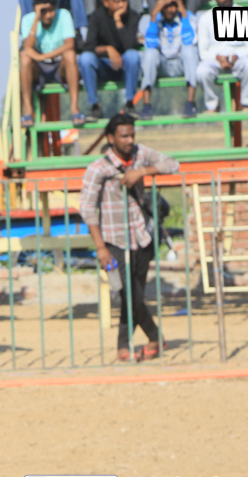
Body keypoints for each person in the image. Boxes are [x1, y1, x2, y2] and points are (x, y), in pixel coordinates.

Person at [80, 113, 179, 362]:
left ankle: (123, 346)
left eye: (132, 135)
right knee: (128, 293)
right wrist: (101, 248)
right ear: (111, 138)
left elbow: (172, 164)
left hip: (142, 237)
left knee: (134, 296)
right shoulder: (98, 168)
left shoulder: (140, 154)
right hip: (114, 241)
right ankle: (155, 337)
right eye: (124, 136)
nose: (129, 140)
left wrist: (142, 171)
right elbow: (88, 209)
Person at [19, 0, 85, 127]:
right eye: (44, 11)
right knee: (25, 59)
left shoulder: (64, 15)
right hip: (38, 68)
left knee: (70, 54)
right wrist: (36, 19)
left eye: (51, 10)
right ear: (36, 9)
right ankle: (28, 110)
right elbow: (27, 47)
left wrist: (43, 56)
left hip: (59, 66)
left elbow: (70, 44)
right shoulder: (28, 19)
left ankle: (74, 108)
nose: (48, 15)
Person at [80, 0, 142, 121]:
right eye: (117, 1)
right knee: (85, 59)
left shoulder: (132, 16)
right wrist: (108, 49)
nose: (121, 4)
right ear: (106, 3)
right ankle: (95, 106)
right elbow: (89, 46)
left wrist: (117, 20)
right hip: (102, 66)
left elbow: (129, 45)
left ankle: (129, 104)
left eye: (124, 1)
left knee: (133, 56)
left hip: (124, 67)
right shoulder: (96, 16)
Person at [195, 0, 248, 113]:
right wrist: (218, 58)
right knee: (201, 71)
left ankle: (245, 104)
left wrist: (237, 55)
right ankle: (212, 106)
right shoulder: (206, 18)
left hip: (239, 60)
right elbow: (203, 52)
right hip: (215, 61)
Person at [139, 0, 199, 119]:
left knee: (190, 51)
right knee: (150, 54)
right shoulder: (153, 19)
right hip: (162, 65)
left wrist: (183, 14)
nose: (169, 10)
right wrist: (154, 15)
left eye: (172, 6)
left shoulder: (188, 17)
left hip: (181, 64)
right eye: (165, 6)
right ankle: (146, 105)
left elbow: (190, 40)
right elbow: (150, 44)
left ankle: (190, 103)